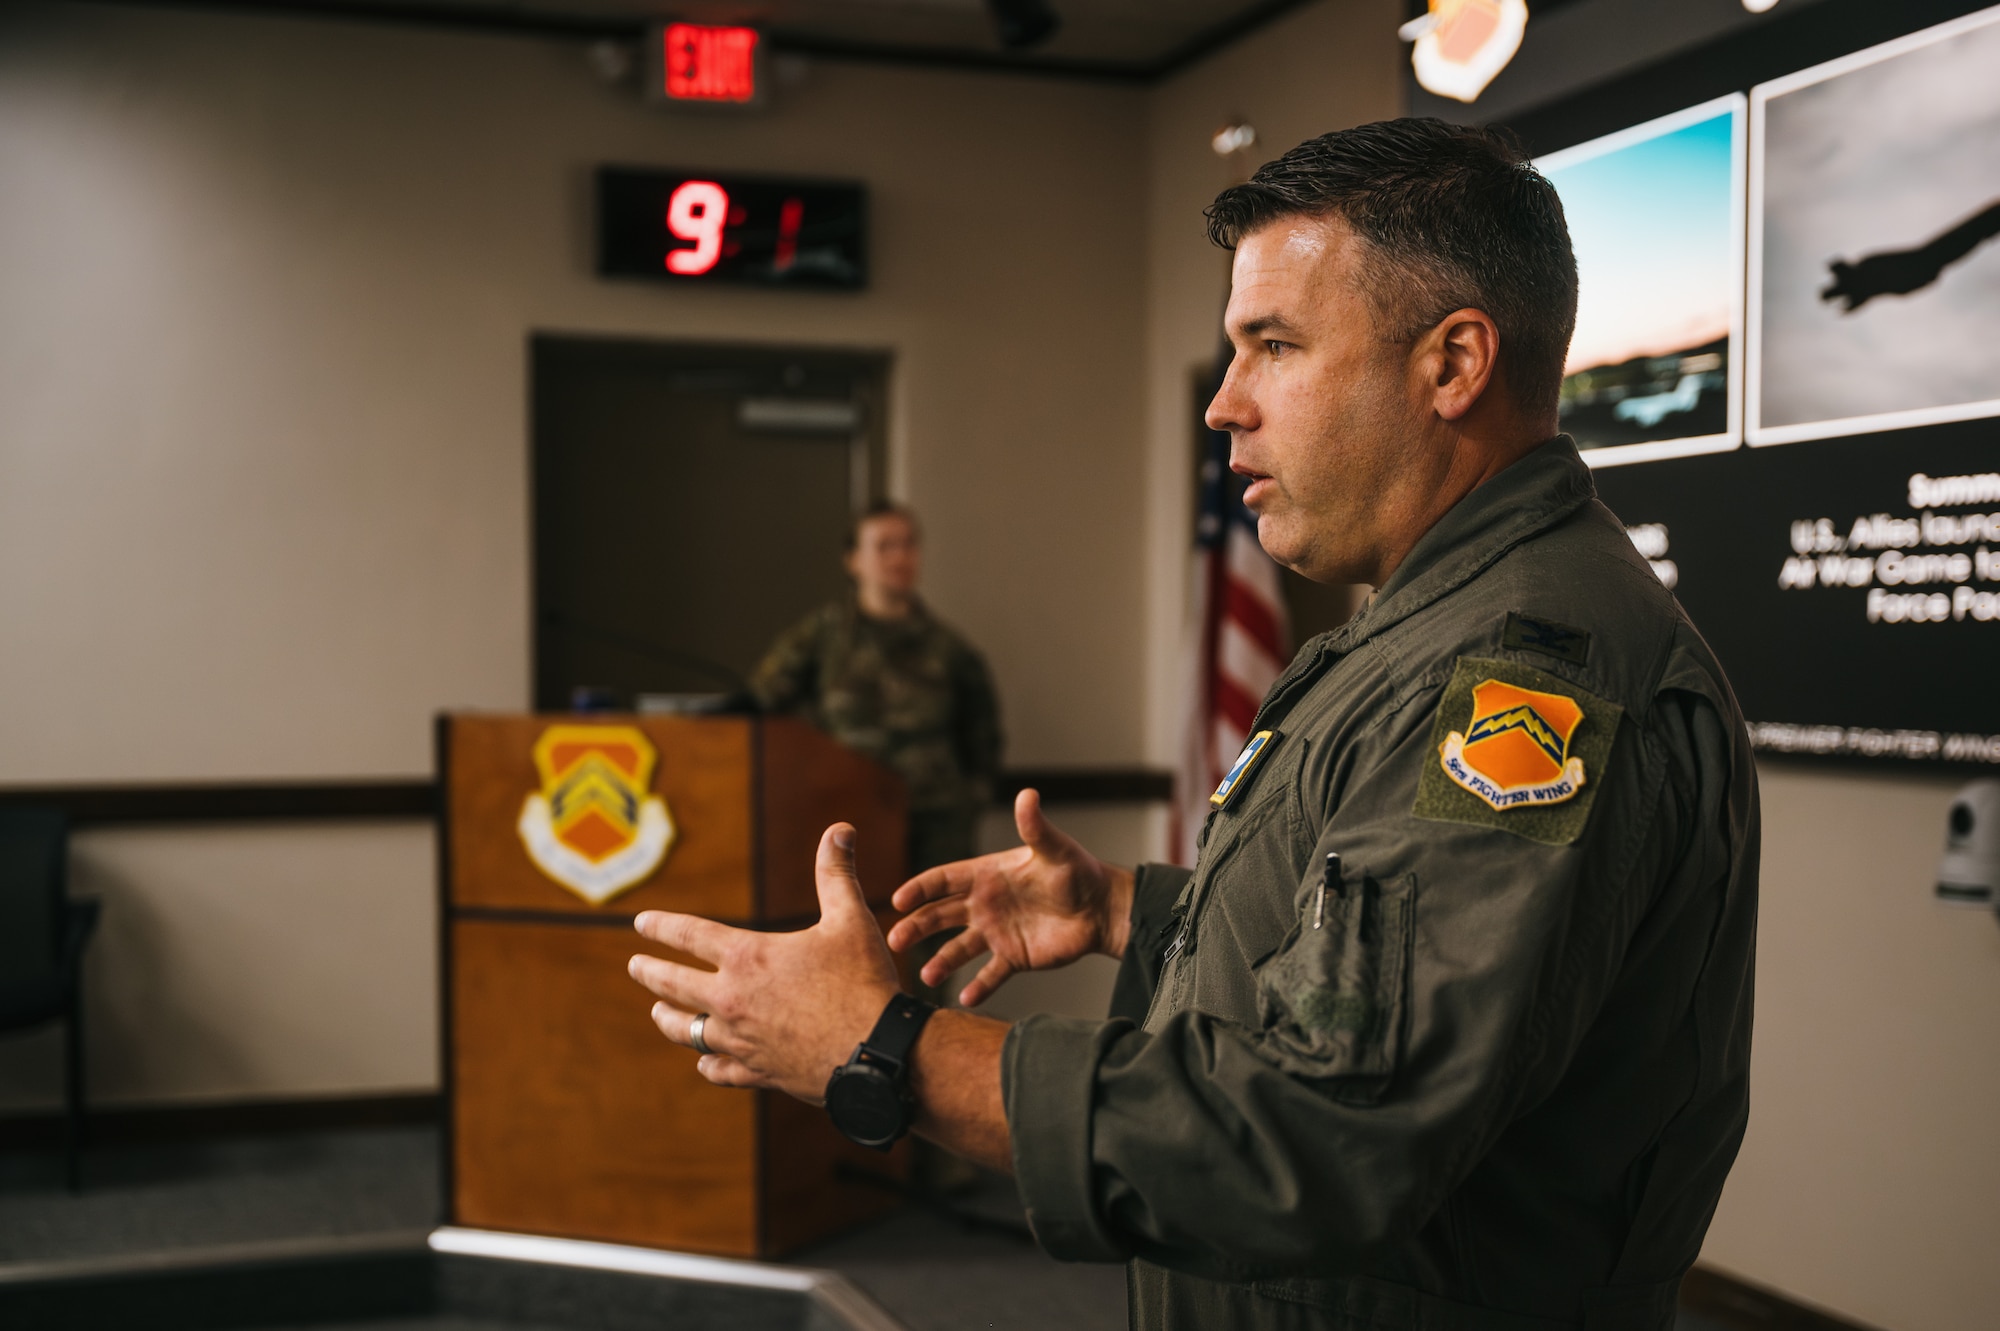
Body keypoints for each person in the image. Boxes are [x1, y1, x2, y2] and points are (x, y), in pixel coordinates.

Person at [627, 119, 1758, 1331]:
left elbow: (1321, 1137)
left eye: (1273, 345)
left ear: (1452, 364)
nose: (1223, 405)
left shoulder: (1523, 680)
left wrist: (882, 1045)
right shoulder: (1435, 625)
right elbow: (1384, 943)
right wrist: (1131, 911)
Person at [749, 501, 1003, 874]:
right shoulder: (822, 637)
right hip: (847, 814)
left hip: (936, 824)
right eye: (885, 546)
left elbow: (982, 734)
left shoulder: (949, 648)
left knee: (938, 925)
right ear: (853, 560)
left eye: (909, 544)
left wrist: (973, 798)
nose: (900, 556)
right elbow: (764, 700)